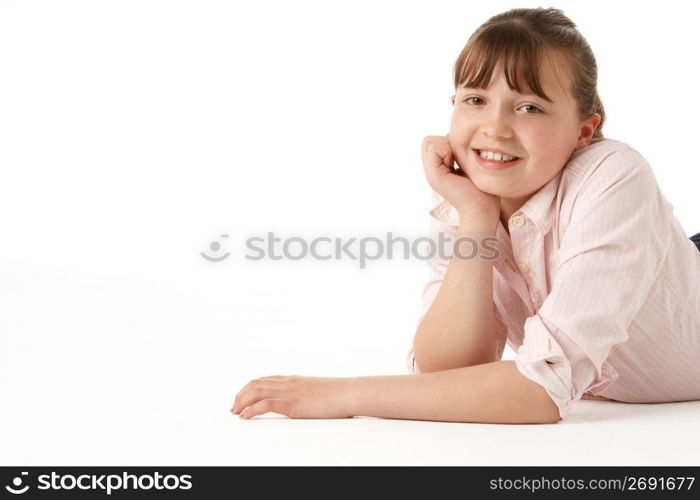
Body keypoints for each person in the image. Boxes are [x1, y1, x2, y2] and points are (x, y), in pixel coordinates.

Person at [230, 7, 700, 423]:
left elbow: (540, 393)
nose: (495, 128)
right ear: (453, 106)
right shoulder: (472, 193)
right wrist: (476, 218)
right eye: (476, 99)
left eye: (529, 107)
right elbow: (448, 373)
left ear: (583, 131)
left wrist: (343, 395)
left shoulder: (615, 175)